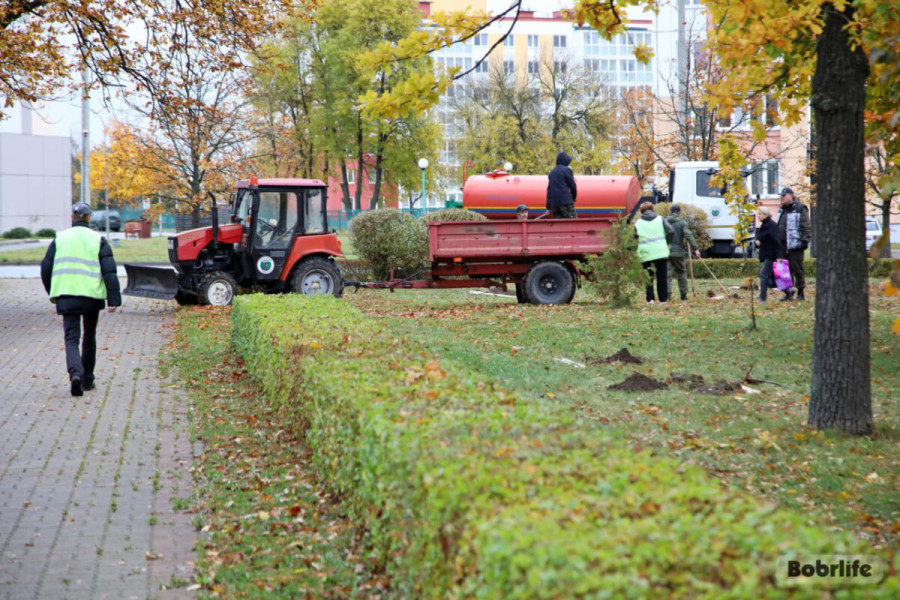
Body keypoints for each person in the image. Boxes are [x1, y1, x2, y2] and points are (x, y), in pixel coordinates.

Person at [41, 202, 121, 397]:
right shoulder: (97, 239)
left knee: (71, 339)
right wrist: (113, 299)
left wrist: (53, 291)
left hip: (66, 296)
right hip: (91, 296)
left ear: (72, 217)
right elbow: (109, 270)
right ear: (89, 217)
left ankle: (75, 375)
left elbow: (45, 267)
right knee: (89, 337)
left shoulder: (60, 238)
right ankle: (87, 380)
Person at [635, 201, 674, 304]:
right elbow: (670, 231)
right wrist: (667, 242)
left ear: (641, 211)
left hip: (645, 253)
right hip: (661, 251)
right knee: (662, 277)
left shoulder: (638, 223)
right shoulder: (660, 219)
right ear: (653, 209)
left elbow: (633, 237)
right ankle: (662, 300)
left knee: (648, 277)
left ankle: (650, 299)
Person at [776, 187, 811, 301]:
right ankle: (788, 293)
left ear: (791, 196)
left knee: (797, 268)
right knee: (784, 270)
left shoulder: (800, 208)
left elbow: (805, 226)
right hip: (782, 244)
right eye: (781, 196)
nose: (782, 199)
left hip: (796, 244)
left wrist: (804, 241)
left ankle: (801, 292)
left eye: (784, 196)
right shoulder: (782, 210)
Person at [665, 204, 701, 301]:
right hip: (678, 252)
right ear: (679, 212)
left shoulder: (664, 221)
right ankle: (683, 295)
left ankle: (667, 296)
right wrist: (695, 249)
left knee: (667, 274)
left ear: (670, 211)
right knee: (681, 272)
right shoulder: (682, 222)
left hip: (665, 251)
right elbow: (688, 235)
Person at [753, 206, 782, 302]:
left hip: (771, 254)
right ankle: (788, 291)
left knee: (763, 274)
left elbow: (776, 241)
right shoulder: (764, 225)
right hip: (766, 253)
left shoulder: (771, 226)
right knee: (774, 276)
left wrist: (779, 255)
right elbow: (763, 238)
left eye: (760, 214)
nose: (758, 216)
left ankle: (762, 296)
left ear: (765, 215)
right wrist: (758, 243)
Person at [545, 151, 577, 218]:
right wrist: (572, 198)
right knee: (573, 224)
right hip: (566, 203)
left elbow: (549, 192)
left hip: (554, 205)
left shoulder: (552, 173)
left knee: (559, 226)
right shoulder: (567, 170)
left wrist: (548, 207)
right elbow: (573, 187)